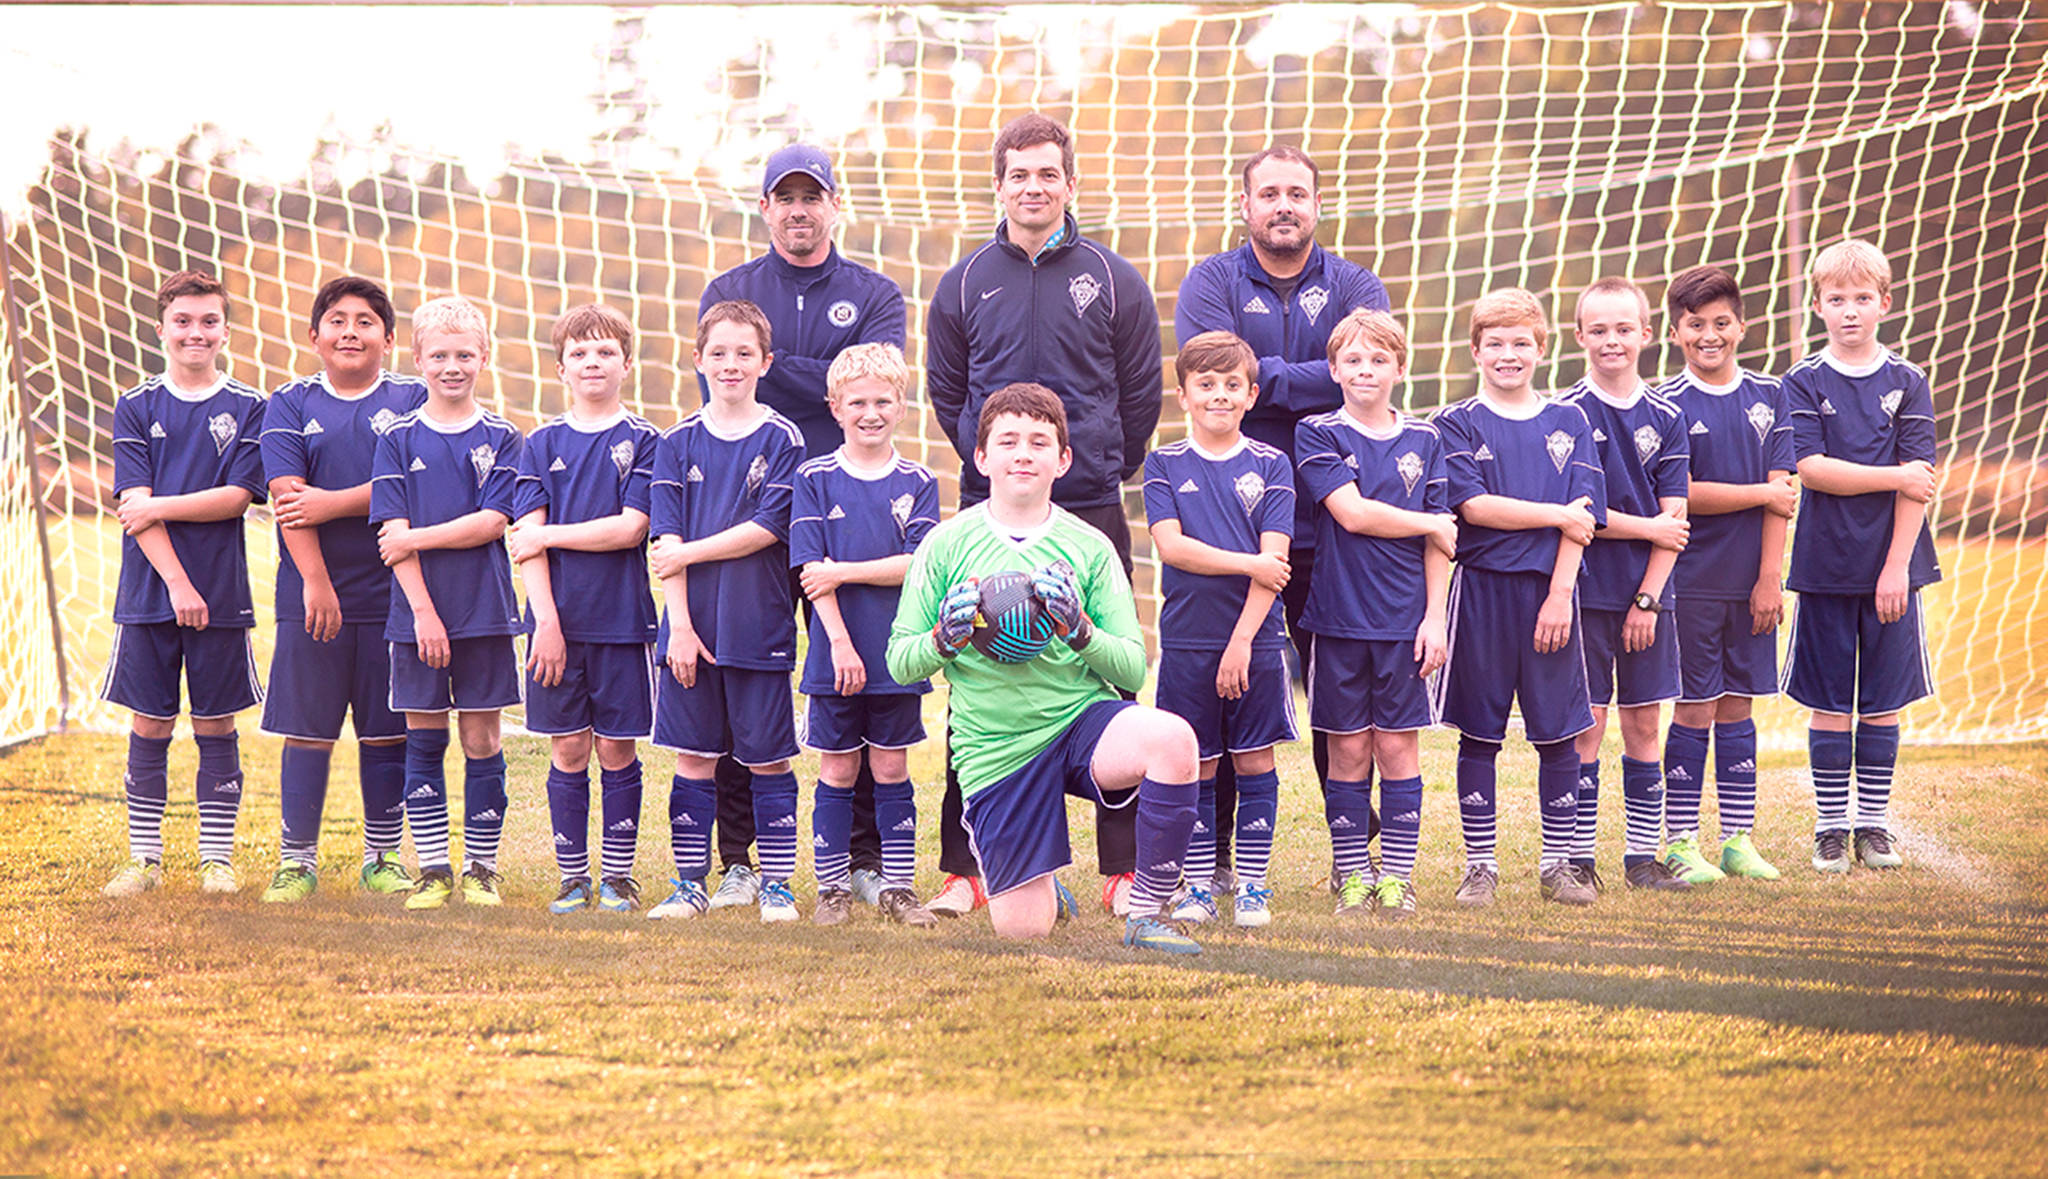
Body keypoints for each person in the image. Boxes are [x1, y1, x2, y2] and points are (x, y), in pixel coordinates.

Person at [925, 112, 1162, 916]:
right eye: (1018, 173)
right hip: (991, 498)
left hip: (1086, 495)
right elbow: (949, 391)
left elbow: (1140, 393)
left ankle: (1122, 871)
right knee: (975, 669)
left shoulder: (1113, 276)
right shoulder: (963, 281)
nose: (1033, 186)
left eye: (1047, 174)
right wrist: (992, 465)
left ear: (1070, 183)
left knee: (1103, 671)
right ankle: (969, 867)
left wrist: (1091, 465)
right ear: (999, 184)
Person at [885, 383, 1203, 955]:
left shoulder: (1090, 546)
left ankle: (1149, 911)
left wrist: (1077, 627)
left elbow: (1131, 668)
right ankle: (1040, 883)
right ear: (982, 459)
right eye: (1007, 441)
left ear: (1063, 460)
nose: (1023, 453)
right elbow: (901, 661)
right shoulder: (945, 545)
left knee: (1175, 741)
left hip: (1080, 720)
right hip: (998, 747)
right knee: (1023, 931)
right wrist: (944, 638)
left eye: (1038, 441)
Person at [1174, 145, 1392, 893]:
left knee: (1342, 691)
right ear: (1246, 205)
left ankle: (1353, 858)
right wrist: (1316, 380)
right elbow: (1214, 368)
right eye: (1269, 193)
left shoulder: (1357, 283)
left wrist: (1267, 375)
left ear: (1318, 203)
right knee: (1229, 688)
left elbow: (1366, 380)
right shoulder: (1211, 280)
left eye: (1296, 192)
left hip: (1338, 524)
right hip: (1236, 534)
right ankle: (1224, 861)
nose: (1283, 205)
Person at [697, 144, 909, 909]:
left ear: (833, 203)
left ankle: (863, 860)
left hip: (847, 514)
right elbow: (735, 382)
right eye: (782, 197)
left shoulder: (875, 291)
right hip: (746, 514)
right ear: (763, 208)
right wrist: (820, 370)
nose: (797, 209)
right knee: (739, 682)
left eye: (810, 196)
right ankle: (739, 859)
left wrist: (781, 364)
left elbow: (869, 379)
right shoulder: (729, 289)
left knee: (855, 685)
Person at [1431, 288, 1605, 908]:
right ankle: (1481, 866)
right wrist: (1554, 513)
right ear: (1475, 351)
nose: (1509, 355)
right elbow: (1474, 506)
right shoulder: (1454, 423)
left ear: (1542, 349)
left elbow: (1583, 521)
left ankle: (1558, 864)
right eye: (1496, 344)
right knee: (1479, 734)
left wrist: (1561, 594)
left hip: (1550, 595)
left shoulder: (1571, 421)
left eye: (1521, 344)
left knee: (1558, 734)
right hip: (1479, 595)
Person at [257, 276, 428, 903]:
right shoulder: (290, 402)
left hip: (397, 591)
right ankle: (296, 861)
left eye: (364, 321)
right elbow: (288, 501)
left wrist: (332, 501)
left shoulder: (413, 397)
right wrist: (316, 582)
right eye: (336, 320)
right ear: (314, 335)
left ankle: (383, 857)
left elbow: (409, 487)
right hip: (311, 592)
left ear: (388, 338)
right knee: (309, 728)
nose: (350, 331)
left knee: (388, 729)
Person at [100, 269, 267, 898]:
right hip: (149, 595)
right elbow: (132, 505)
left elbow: (234, 498)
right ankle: (145, 860)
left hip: (221, 592)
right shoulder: (137, 404)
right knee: (150, 722)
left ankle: (216, 859)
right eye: (183, 321)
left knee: (217, 724)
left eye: (209, 321)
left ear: (225, 329)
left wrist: (161, 507)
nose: (196, 332)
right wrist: (176, 583)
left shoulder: (251, 405)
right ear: (162, 326)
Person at [645, 300, 808, 922]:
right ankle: (689, 885)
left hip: (756, 622)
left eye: (744, 353)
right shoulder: (675, 441)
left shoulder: (783, 438)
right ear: (698, 360)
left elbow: (768, 527)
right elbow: (666, 542)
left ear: (765, 362)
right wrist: (679, 626)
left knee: (768, 756)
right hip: (691, 628)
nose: (731, 364)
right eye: (719, 353)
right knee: (694, 757)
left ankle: (777, 886)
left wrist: (689, 548)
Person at [1781, 240, 1939, 873]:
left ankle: (1872, 825)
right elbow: (1813, 470)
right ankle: (1829, 826)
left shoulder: (1908, 380)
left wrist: (1897, 563)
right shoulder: (1802, 380)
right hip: (1824, 565)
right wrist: (1893, 477)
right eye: (1837, 299)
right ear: (1817, 305)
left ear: (1884, 304)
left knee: (1881, 700)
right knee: (1828, 699)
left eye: (1862, 299)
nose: (1850, 311)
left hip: (1893, 567)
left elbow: (1920, 479)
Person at [1295, 310, 1452, 919]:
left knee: (1397, 749)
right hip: (1337, 621)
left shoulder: (1427, 440)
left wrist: (1435, 617)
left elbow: (1444, 546)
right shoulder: (1319, 432)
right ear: (1334, 369)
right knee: (1348, 752)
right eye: (1353, 360)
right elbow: (1353, 514)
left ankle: (1398, 877)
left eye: (1379, 359)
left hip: (1404, 624)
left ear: (1400, 368)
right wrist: (1432, 521)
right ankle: (1354, 874)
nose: (1365, 370)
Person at [368, 296, 524, 909]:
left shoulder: (505, 438)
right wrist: (424, 613)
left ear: (484, 358)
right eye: (439, 355)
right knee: (424, 738)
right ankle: (433, 870)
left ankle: (482, 868)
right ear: (417, 360)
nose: (451, 366)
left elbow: (491, 523)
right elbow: (390, 539)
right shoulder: (397, 438)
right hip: (415, 618)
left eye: (464, 354)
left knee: (483, 738)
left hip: (485, 611)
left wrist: (417, 536)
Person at [1141, 331, 1296, 928]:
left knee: (1254, 760)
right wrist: (1246, 562)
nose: (1220, 396)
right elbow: (1173, 548)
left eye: (1232, 386)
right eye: (1206, 385)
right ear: (1183, 395)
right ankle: (1200, 886)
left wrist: (1241, 641)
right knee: (1198, 763)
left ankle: (1253, 887)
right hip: (1186, 642)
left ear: (1251, 394)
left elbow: (1275, 564)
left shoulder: (1271, 464)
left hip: (1253, 644)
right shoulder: (1164, 462)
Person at [511, 304, 661, 914]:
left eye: (604, 352)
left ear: (627, 364)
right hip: (557, 629)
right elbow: (526, 543)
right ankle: (572, 877)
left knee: (617, 749)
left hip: (622, 624)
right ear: (560, 369)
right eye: (579, 353)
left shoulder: (648, 441)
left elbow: (630, 529)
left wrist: (549, 535)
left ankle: (619, 877)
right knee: (569, 749)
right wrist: (545, 621)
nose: (592, 362)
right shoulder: (540, 443)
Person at [790, 342, 940, 928]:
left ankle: (899, 886)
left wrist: (845, 570)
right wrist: (841, 643)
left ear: (902, 406)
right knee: (837, 770)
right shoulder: (815, 478)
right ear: (835, 407)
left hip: (898, 656)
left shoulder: (918, 480)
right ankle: (832, 889)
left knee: (892, 768)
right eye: (858, 402)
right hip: (837, 654)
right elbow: (810, 573)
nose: (870, 412)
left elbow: (917, 565)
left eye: (883, 400)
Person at [1555, 278, 1694, 893]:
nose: (1612, 340)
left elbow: (1677, 522)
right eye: (1599, 330)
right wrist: (1649, 528)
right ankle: (1579, 856)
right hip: (1583, 593)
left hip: (1647, 599)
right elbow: (1582, 513)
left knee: (1643, 724)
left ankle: (1642, 857)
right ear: (1579, 337)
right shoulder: (1562, 414)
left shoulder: (1667, 416)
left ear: (1646, 333)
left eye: (1624, 328)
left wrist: (1648, 598)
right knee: (1586, 723)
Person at [1657, 265, 1795, 882]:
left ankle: (1738, 841)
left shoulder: (1770, 396)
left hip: (1750, 584)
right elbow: (1682, 494)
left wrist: (1770, 578)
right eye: (1695, 325)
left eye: (1720, 323)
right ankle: (1681, 842)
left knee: (1739, 706)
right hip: (1688, 582)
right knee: (1693, 708)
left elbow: (1783, 494)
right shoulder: (1665, 404)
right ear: (1675, 331)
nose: (1708, 335)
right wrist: (1759, 494)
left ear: (1741, 324)